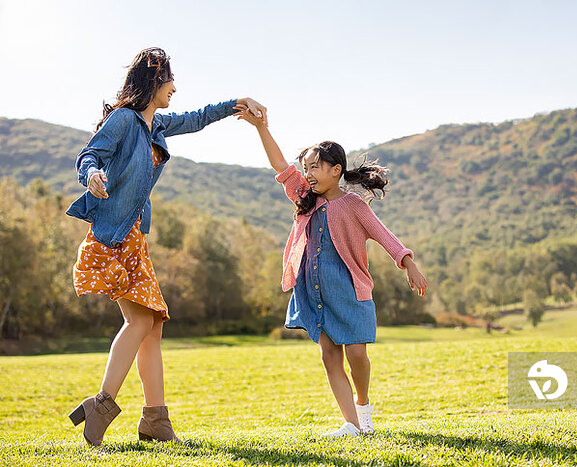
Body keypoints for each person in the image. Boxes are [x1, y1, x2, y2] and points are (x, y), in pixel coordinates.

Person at [65, 47, 267, 447]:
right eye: (170, 80)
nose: (175, 88)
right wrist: (92, 176)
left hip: (135, 238)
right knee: (139, 322)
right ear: (153, 82)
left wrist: (237, 103)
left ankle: (155, 421)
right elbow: (89, 154)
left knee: (152, 326)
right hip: (115, 239)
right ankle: (100, 405)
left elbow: (196, 118)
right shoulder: (124, 121)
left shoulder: (155, 125)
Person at [236, 105, 429, 437]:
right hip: (313, 292)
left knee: (357, 354)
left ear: (336, 169)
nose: (308, 173)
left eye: (315, 167)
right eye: (306, 168)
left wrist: (408, 263)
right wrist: (260, 128)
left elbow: (384, 236)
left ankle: (363, 406)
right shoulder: (304, 197)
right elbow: (280, 166)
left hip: (350, 291)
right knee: (329, 355)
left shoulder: (353, 204)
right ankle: (352, 424)